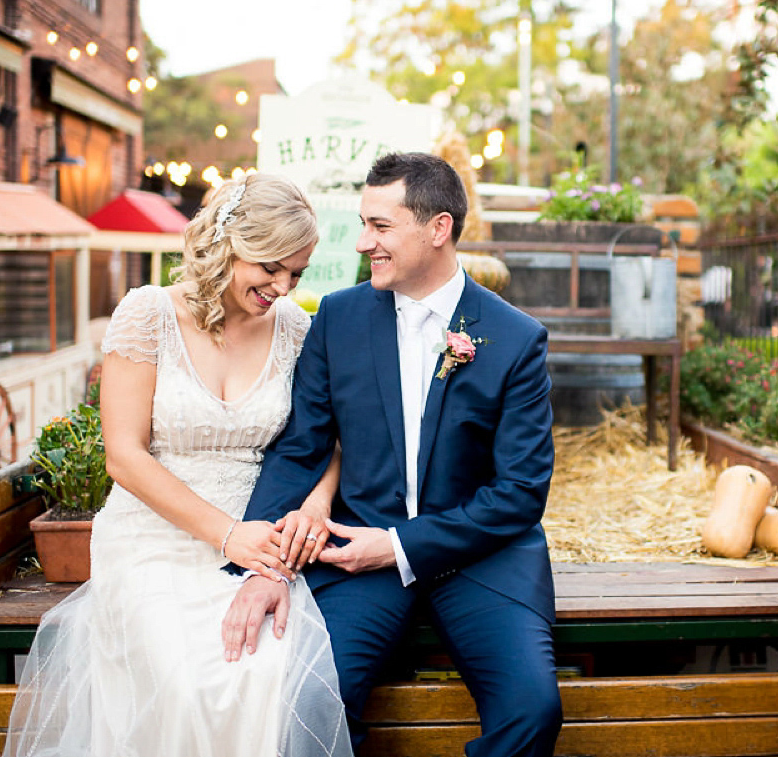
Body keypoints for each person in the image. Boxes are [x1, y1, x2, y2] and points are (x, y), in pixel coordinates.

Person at [223, 152, 563, 757]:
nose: (363, 242)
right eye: (363, 224)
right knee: (311, 699)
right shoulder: (337, 318)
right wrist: (261, 563)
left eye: (381, 227)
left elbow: (519, 494)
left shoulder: (515, 339)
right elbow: (302, 447)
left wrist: (402, 546)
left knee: (532, 709)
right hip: (357, 551)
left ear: (438, 228)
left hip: (481, 558)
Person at [3, 174, 353, 757]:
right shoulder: (148, 315)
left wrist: (314, 505)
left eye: (297, 273)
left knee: (264, 678)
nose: (283, 287)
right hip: (152, 539)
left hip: (259, 539)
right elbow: (124, 455)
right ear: (229, 243)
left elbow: (329, 442)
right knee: (190, 684)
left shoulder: (296, 332)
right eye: (271, 268)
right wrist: (226, 535)